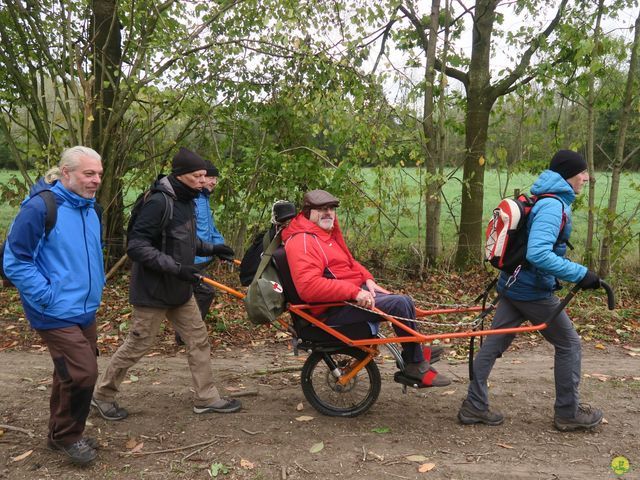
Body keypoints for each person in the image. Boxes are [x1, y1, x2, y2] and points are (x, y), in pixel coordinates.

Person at [458, 150, 604, 431]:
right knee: (569, 344)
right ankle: (567, 413)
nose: (586, 177)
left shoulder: (545, 196)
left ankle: (474, 405)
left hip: (514, 284)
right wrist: (581, 274)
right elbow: (538, 253)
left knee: (493, 343)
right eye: (582, 172)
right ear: (568, 174)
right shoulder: (553, 206)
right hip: (531, 290)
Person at [91, 147, 240, 421]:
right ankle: (102, 395)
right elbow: (136, 247)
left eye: (204, 176)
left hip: (179, 290)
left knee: (198, 339)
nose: (203, 181)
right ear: (181, 175)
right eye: (197, 176)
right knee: (137, 345)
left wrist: (212, 248)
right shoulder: (159, 202)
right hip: (153, 291)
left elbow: (183, 241)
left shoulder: (188, 200)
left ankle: (206, 398)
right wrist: (178, 269)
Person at [282, 189, 450, 387]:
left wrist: (367, 279)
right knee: (400, 303)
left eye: (331, 209)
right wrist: (355, 292)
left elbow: (348, 262)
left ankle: (415, 353)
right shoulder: (303, 241)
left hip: (345, 300)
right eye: (322, 209)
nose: (328, 213)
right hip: (331, 311)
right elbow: (309, 287)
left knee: (405, 302)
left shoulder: (324, 235)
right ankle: (414, 365)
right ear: (308, 212)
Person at [3, 146, 105, 465]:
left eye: (99, 173)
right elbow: (15, 261)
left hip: (84, 307)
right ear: (66, 173)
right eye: (89, 173)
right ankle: (67, 437)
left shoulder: (91, 209)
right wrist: (47, 296)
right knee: (84, 373)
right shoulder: (41, 208)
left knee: (68, 373)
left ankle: (59, 433)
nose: (96, 180)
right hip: (52, 310)